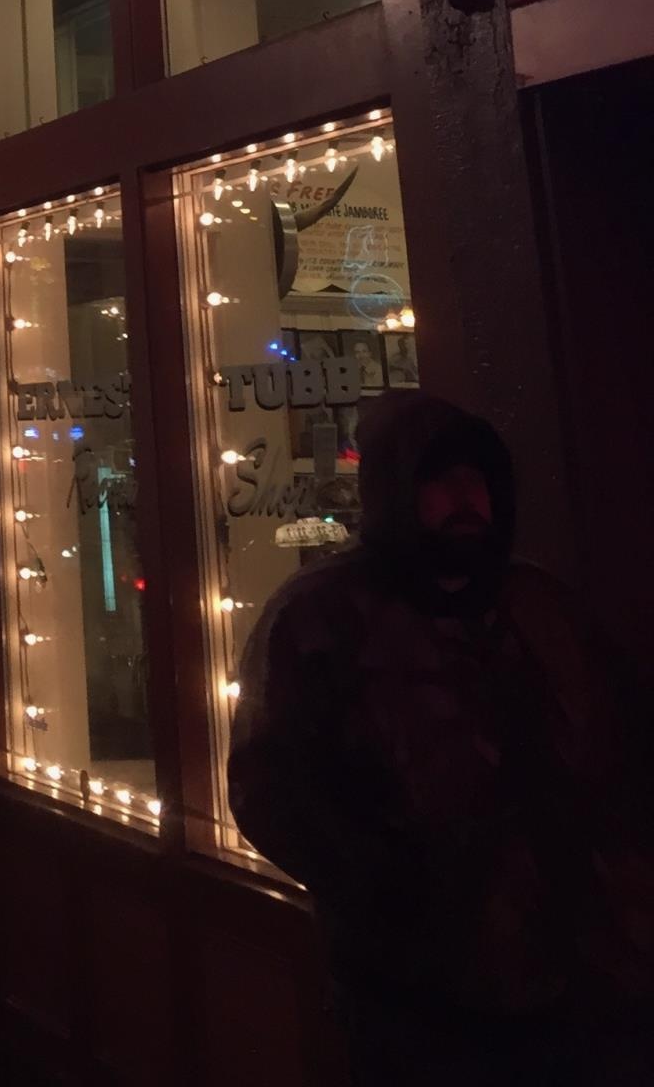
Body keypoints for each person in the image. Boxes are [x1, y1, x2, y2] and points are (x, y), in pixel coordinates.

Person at [228, 390, 653, 1084]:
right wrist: (395, 897)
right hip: (423, 998)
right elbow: (272, 788)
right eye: (437, 479)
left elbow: (622, 742)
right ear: (395, 491)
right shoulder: (322, 619)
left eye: (475, 478)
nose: (464, 497)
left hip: (594, 976)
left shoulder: (538, 605)